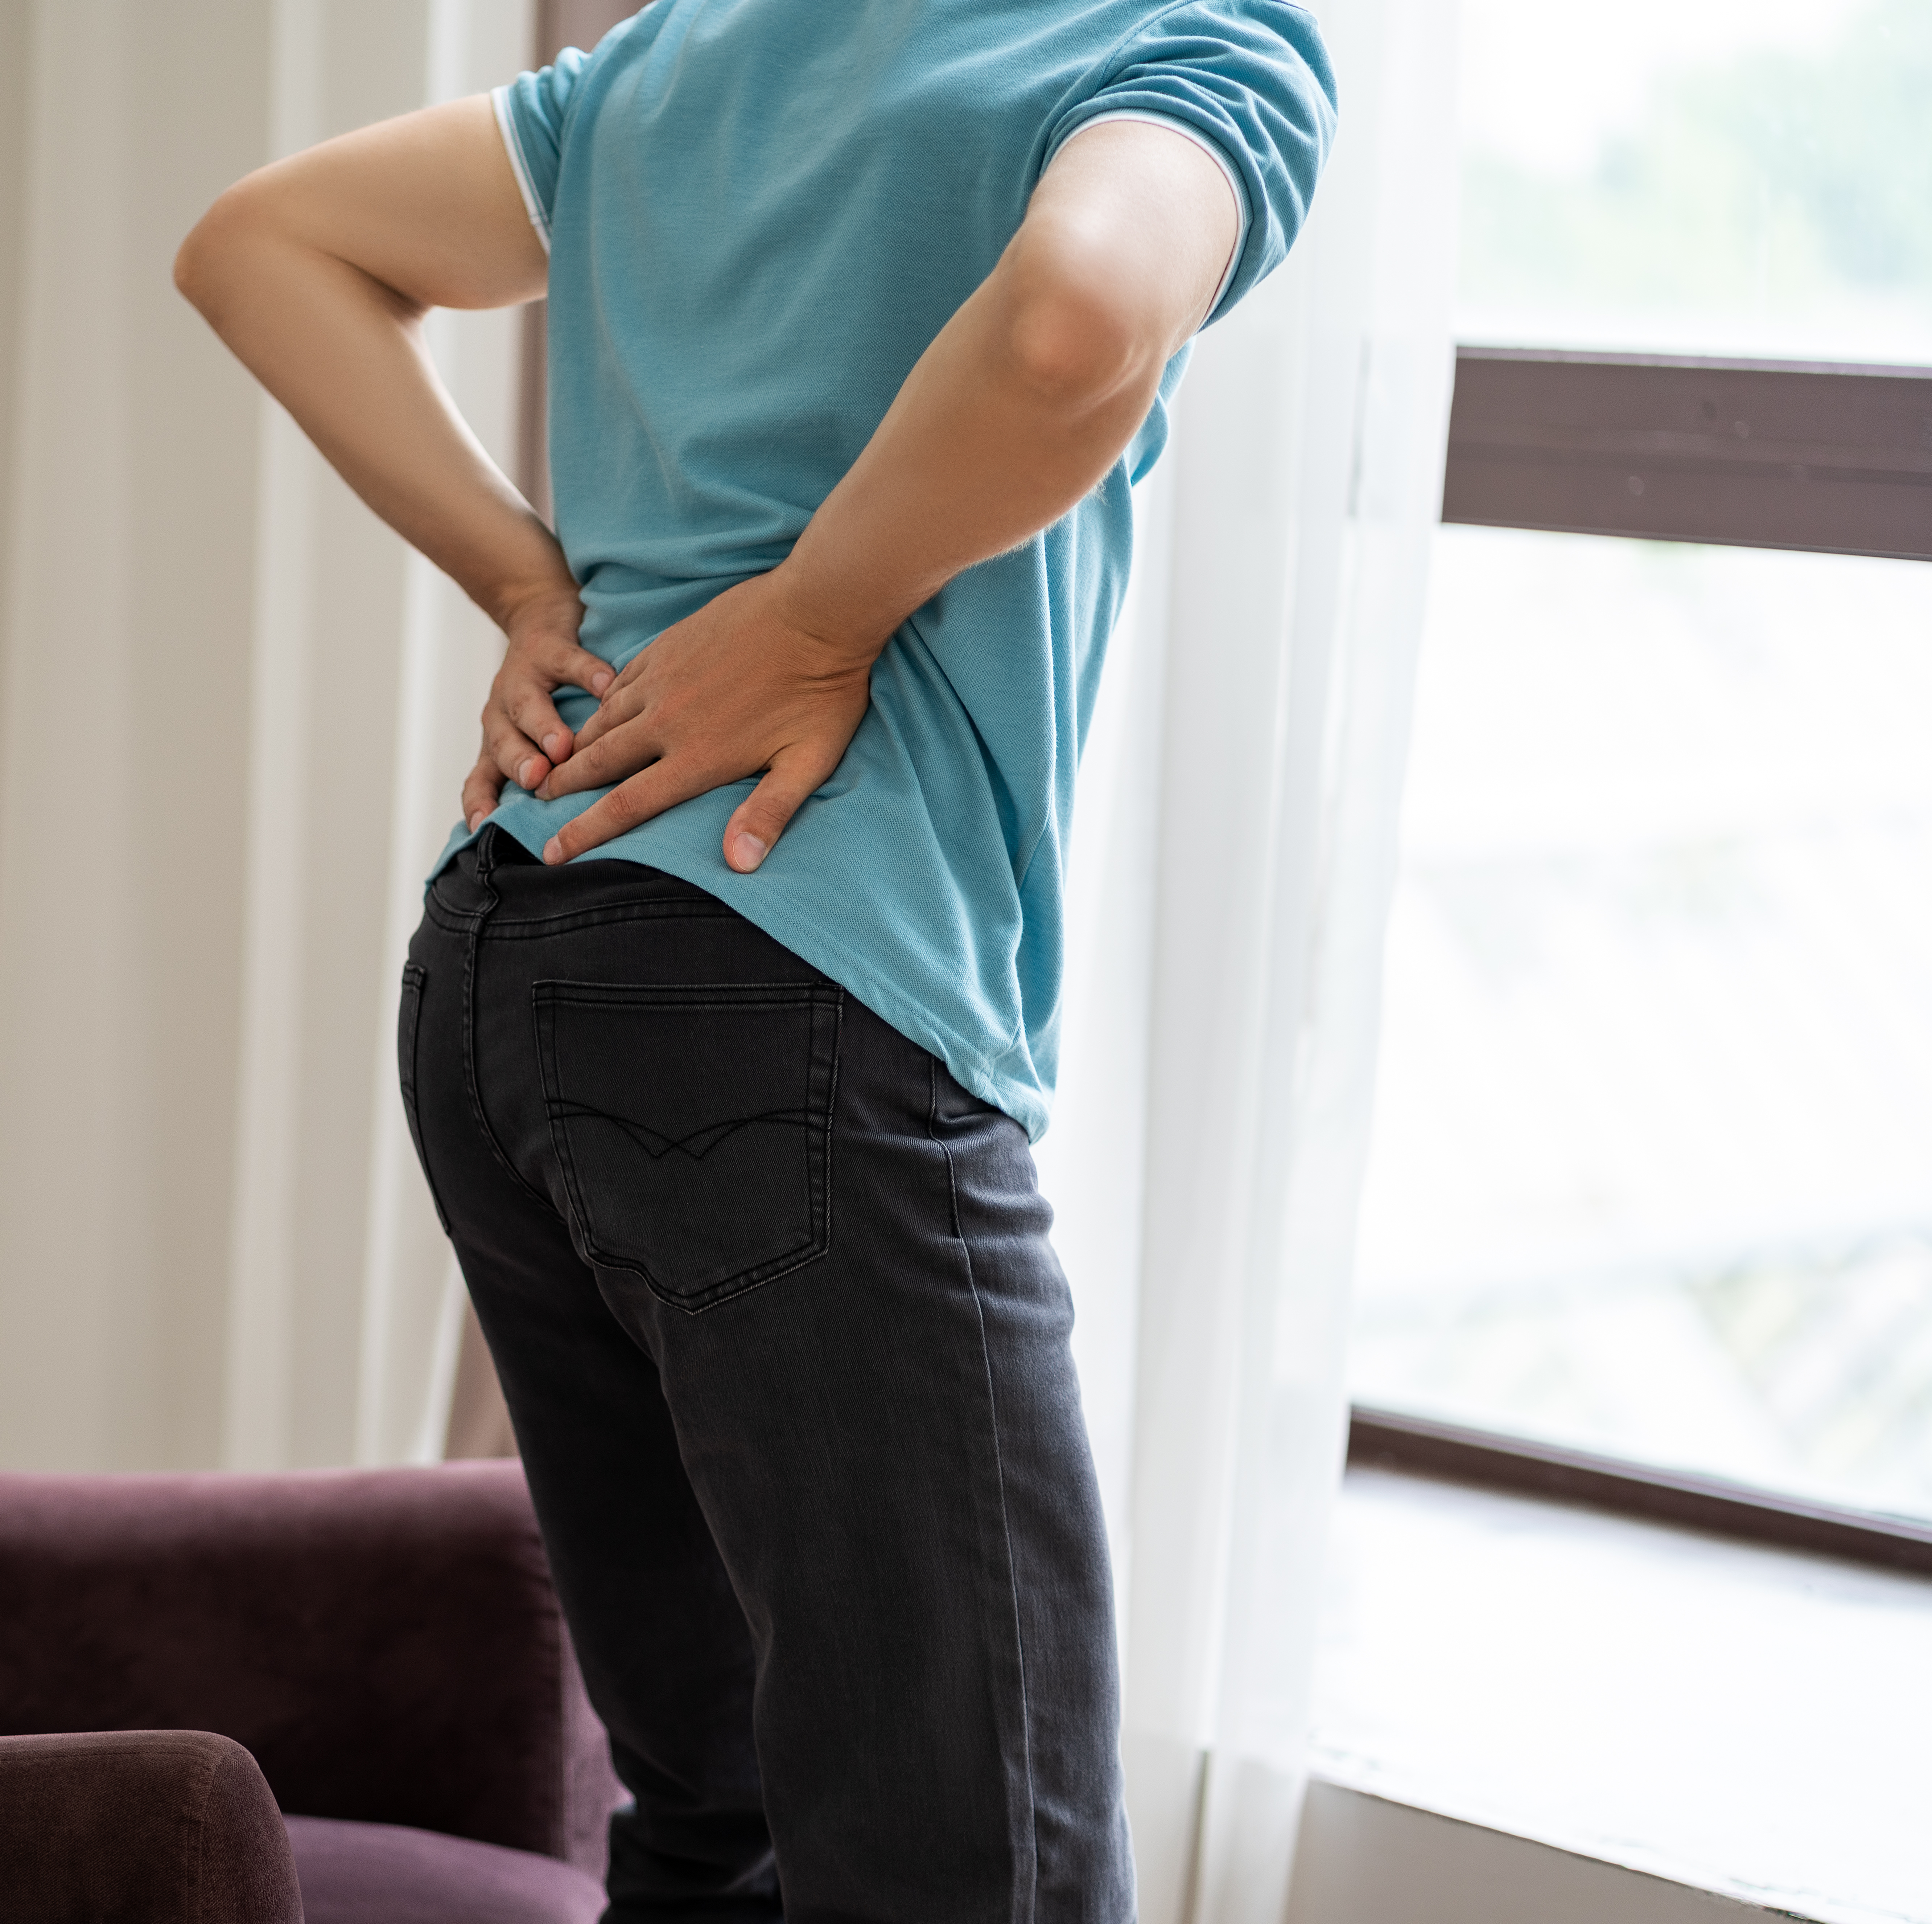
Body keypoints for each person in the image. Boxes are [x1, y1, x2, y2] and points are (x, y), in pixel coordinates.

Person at [178, 4, 1336, 1917]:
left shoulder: (689, 53)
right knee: (985, 1874)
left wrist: (528, 586)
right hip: (790, 988)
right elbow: (1075, 320)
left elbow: (259, 243)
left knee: (723, 1832)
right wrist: (816, 619)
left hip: (507, 957)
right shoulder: (1186, 49)